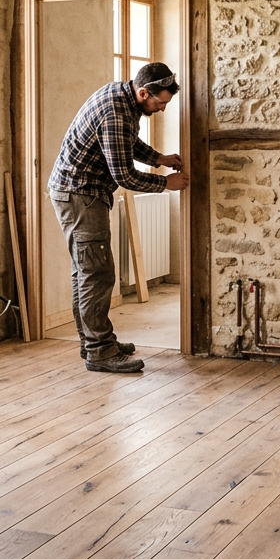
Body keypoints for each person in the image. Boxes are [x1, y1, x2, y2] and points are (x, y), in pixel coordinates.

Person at [48, 61, 188, 373]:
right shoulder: (115, 112)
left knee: (86, 272)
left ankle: (95, 342)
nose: (162, 109)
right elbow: (125, 175)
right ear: (143, 92)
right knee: (97, 273)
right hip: (80, 195)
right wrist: (166, 183)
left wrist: (158, 158)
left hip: (80, 192)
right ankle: (100, 351)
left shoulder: (122, 101)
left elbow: (125, 144)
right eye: (160, 102)